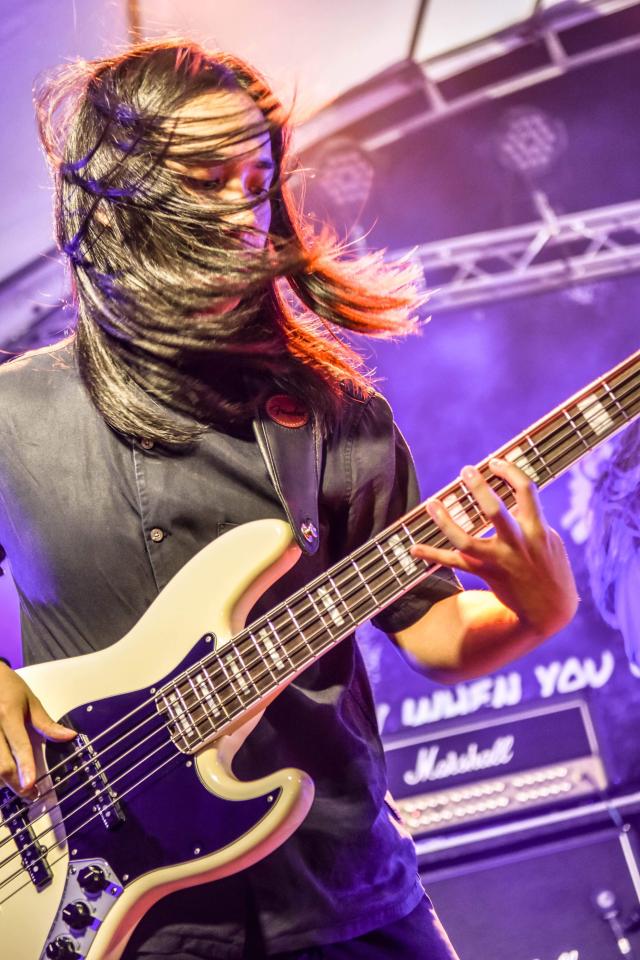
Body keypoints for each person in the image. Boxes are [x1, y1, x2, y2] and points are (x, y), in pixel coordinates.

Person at [0, 40, 578, 960]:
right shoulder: (11, 415)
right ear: (112, 198)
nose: (245, 209)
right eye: (206, 179)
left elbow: (431, 630)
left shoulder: (334, 414)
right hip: (114, 919)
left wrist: (538, 613)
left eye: (258, 179)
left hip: (343, 901)